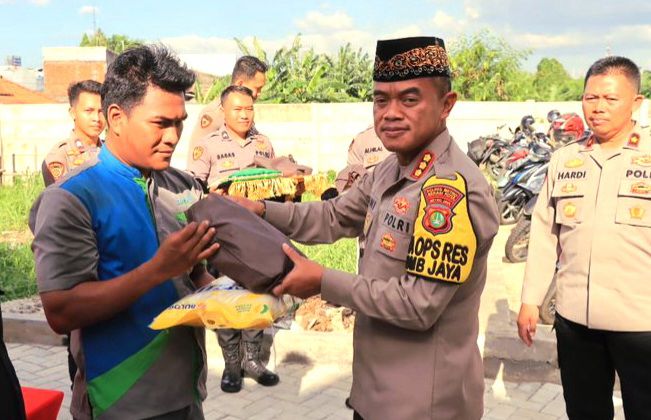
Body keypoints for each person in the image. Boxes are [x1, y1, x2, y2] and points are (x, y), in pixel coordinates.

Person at [229, 36, 499, 419]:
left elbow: (418, 305)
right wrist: (260, 210)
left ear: (446, 105)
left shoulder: (451, 188)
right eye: (380, 100)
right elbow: (333, 216)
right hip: (376, 395)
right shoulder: (390, 168)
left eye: (409, 99)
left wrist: (323, 281)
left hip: (425, 404)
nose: (389, 113)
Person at [29, 45, 220, 419]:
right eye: (161, 123)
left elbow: (197, 273)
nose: (173, 136)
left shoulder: (182, 186)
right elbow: (61, 310)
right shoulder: (71, 199)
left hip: (186, 393)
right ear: (115, 118)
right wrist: (159, 270)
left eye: (179, 121)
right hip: (120, 399)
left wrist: (230, 295)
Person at [517, 56, 651, 420]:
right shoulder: (565, 160)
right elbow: (545, 234)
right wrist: (530, 300)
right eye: (591, 98)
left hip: (641, 323)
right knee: (585, 411)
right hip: (577, 320)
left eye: (610, 99)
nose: (598, 108)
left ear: (635, 103)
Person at [187, 84, 279, 393]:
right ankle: (231, 364)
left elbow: (275, 185)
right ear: (223, 111)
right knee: (225, 298)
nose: (244, 114)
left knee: (256, 295)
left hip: (257, 236)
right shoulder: (208, 146)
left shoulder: (264, 144)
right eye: (237, 109)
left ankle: (253, 360)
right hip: (222, 237)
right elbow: (192, 191)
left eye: (249, 109)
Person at [187, 56, 268, 153]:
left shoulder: (246, 111)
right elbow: (197, 153)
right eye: (257, 88)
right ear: (240, 84)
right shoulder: (214, 113)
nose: (259, 94)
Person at [42, 80, 105, 186]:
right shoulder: (60, 156)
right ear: (73, 113)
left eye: (101, 111)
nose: (96, 118)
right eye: (89, 111)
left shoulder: (113, 152)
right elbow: (61, 198)